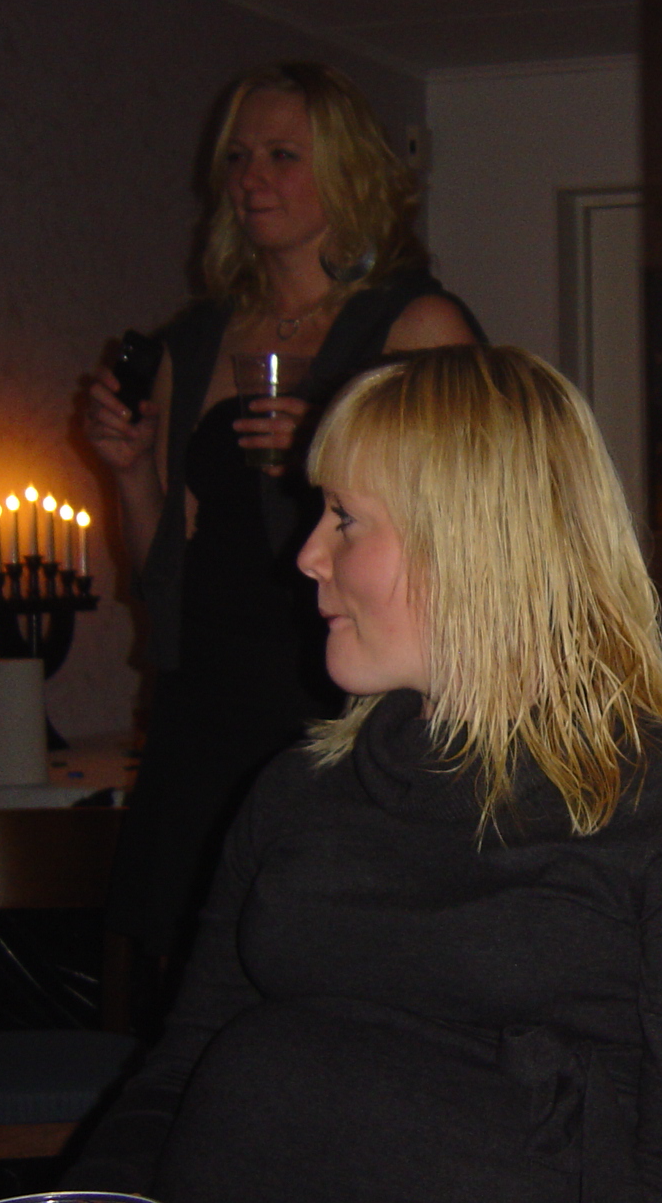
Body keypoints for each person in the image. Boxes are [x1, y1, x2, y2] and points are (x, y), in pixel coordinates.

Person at [67, 345, 662, 1203]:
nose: (305, 555)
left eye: (344, 519)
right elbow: (186, 1056)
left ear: (474, 545)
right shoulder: (298, 788)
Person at [83, 60, 483, 964]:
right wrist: (131, 472)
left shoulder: (417, 326)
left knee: (324, 963)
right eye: (237, 157)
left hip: (339, 695)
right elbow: (165, 569)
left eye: (281, 155)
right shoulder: (197, 339)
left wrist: (333, 448)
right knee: (190, 971)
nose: (251, 178)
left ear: (347, 170)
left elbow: (473, 527)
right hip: (202, 699)